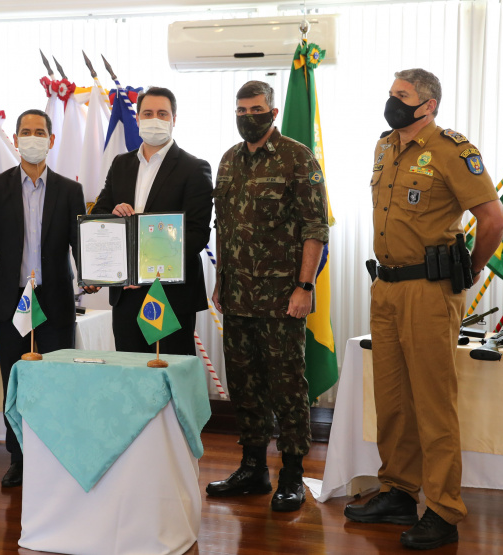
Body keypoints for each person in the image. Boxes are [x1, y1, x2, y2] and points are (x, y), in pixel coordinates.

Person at [343, 69, 503, 550]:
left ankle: (443, 509)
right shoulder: (385, 146)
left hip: (430, 292)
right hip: (386, 288)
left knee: (433, 405)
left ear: (428, 105)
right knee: (392, 400)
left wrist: (472, 268)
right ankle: (397, 490)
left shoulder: (453, 151)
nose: (391, 101)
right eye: (391, 93)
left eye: (401, 95)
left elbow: (494, 218)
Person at [205, 80, 329, 513]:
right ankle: (253, 468)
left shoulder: (298, 158)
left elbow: (316, 227)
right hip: (237, 294)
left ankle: (292, 473)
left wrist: (304, 286)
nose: (247, 117)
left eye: (255, 109)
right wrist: (221, 279)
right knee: (244, 384)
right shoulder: (228, 161)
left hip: (282, 297)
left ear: (273, 113)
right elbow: (224, 226)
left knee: (287, 386)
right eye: (240, 110)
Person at [0, 109, 86, 488]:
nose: (33, 138)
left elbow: (80, 244)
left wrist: (96, 274)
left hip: (55, 305)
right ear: (15, 139)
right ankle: (18, 458)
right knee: (15, 383)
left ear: (51, 140)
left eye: (40, 132)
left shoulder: (70, 190)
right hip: (10, 304)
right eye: (26, 132)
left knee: (55, 383)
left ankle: (53, 458)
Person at [89, 86, 213, 355]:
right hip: (126, 293)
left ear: (174, 119)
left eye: (162, 113)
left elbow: (196, 234)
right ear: (138, 118)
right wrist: (113, 215)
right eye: (147, 113)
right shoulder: (120, 164)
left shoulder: (194, 168)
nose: (154, 118)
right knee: (131, 375)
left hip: (169, 296)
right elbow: (98, 218)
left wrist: (143, 269)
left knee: (168, 373)